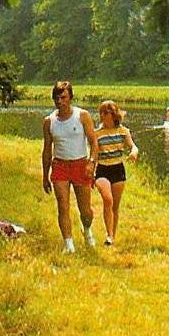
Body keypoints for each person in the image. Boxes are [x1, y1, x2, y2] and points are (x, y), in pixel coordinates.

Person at [42, 80, 98, 253]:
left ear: (70, 97)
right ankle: (69, 244)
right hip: (60, 166)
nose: (60, 101)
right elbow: (46, 150)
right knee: (62, 205)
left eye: (63, 97)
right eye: (57, 98)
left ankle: (87, 229)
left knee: (85, 211)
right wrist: (45, 175)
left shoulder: (82, 116)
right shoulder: (49, 121)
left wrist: (91, 163)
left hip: (80, 164)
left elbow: (94, 142)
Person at [92, 100, 140, 246]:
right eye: (100, 113)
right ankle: (109, 235)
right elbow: (93, 154)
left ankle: (112, 235)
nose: (102, 116)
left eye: (105, 113)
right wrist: (90, 170)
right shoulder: (96, 133)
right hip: (102, 170)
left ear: (113, 114)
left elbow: (134, 147)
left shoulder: (123, 131)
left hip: (118, 170)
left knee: (115, 206)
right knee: (107, 199)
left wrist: (133, 153)